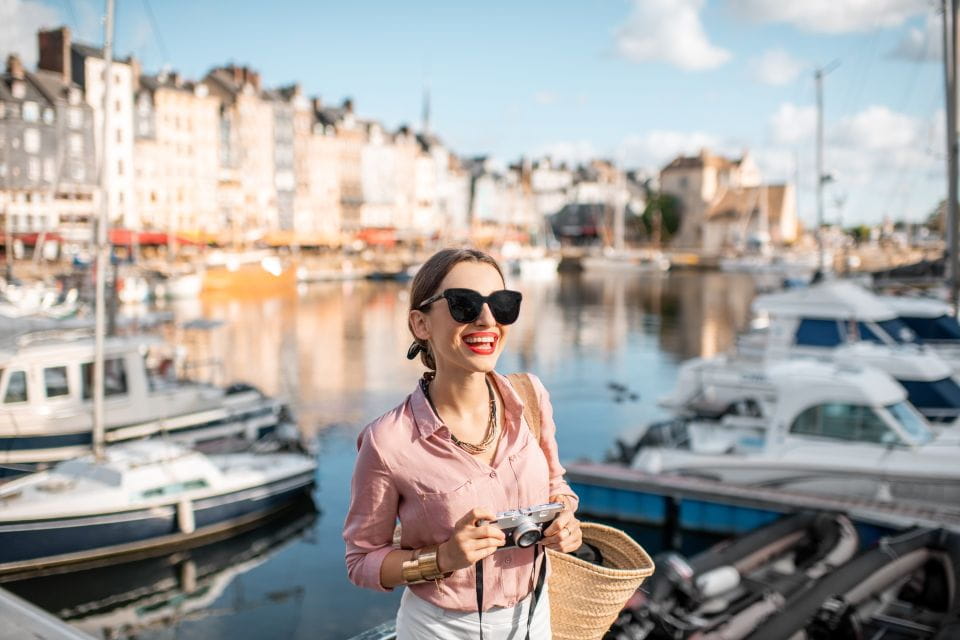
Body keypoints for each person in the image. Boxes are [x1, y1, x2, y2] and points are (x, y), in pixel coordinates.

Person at [343, 248, 582, 639]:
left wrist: (566, 524)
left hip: (534, 619)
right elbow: (361, 561)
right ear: (421, 323)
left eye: (502, 305)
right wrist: (442, 559)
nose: (487, 320)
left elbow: (558, 488)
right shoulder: (388, 441)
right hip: (442, 630)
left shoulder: (531, 397)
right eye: (464, 305)